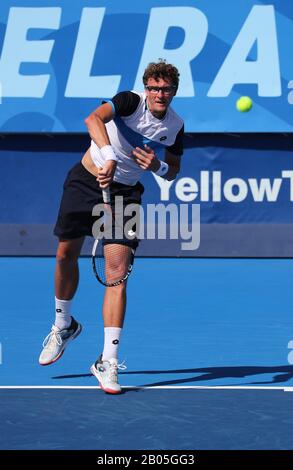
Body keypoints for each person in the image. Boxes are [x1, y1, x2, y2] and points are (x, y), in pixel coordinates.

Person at [39, 60, 184, 394]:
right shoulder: (130, 102)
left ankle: (108, 360)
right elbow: (93, 118)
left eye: (165, 89)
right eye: (153, 88)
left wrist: (158, 166)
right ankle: (64, 324)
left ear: (173, 92)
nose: (158, 94)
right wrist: (108, 156)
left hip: (124, 196)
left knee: (117, 273)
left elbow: (173, 169)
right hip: (86, 180)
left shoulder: (175, 125)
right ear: (145, 88)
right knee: (64, 255)